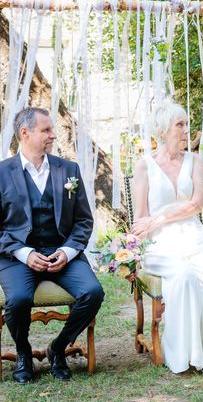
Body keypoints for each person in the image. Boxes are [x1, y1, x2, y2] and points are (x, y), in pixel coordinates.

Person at [131, 100, 203, 374]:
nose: (187, 130)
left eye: (187, 124)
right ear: (163, 131)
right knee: (183, 276)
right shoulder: (144, 166)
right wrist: (135, 253)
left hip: (194, 237)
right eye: (180, 125)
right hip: (160, 243)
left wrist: (161, 216)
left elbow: (196, 204)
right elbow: (141, 218)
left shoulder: (195, 161)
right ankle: (186, 354)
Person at [0, 107, 104, 384]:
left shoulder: (68, 169)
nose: (53, 135)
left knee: (93, 292)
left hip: (62, 253)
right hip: (16, 256)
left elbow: (83, 220)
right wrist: (24, 253)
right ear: (25, 133)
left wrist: (67, 251)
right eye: (46, 130)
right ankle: (23, 352)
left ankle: (58, 347)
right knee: (19, 300)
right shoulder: (1, 173)